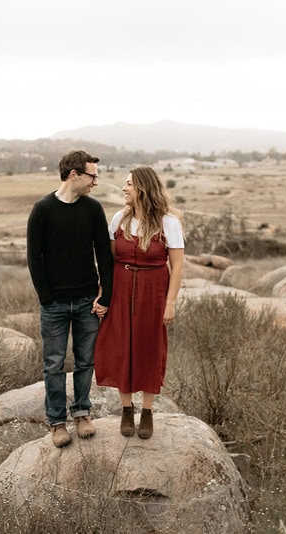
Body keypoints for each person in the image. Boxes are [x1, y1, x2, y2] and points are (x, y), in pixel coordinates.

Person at [26, 150, 113, 448]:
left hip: (88, 300)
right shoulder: (43, 209)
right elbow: (34, 259)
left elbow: (104, 254)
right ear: (74, 174)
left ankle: (82, 413)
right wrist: (47, 298)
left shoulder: (93, 209)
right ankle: (57, 422)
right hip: (55, 304)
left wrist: (106, 294)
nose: (95, 183)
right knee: (53, 364)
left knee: (86, 361)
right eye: (92, 176)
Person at [94, 166, 184, 439]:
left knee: (149, 347)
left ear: (143, 188)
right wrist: (103, 295)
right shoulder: (119, 219)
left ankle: (147, 411)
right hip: (121, 289)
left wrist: (170, 303)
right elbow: (108, 263)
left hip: (153, 291)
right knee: (121, 346)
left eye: (129, 184)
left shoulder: (168, 222)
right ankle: (126, 409)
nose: (124, 188)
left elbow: (177, 266)